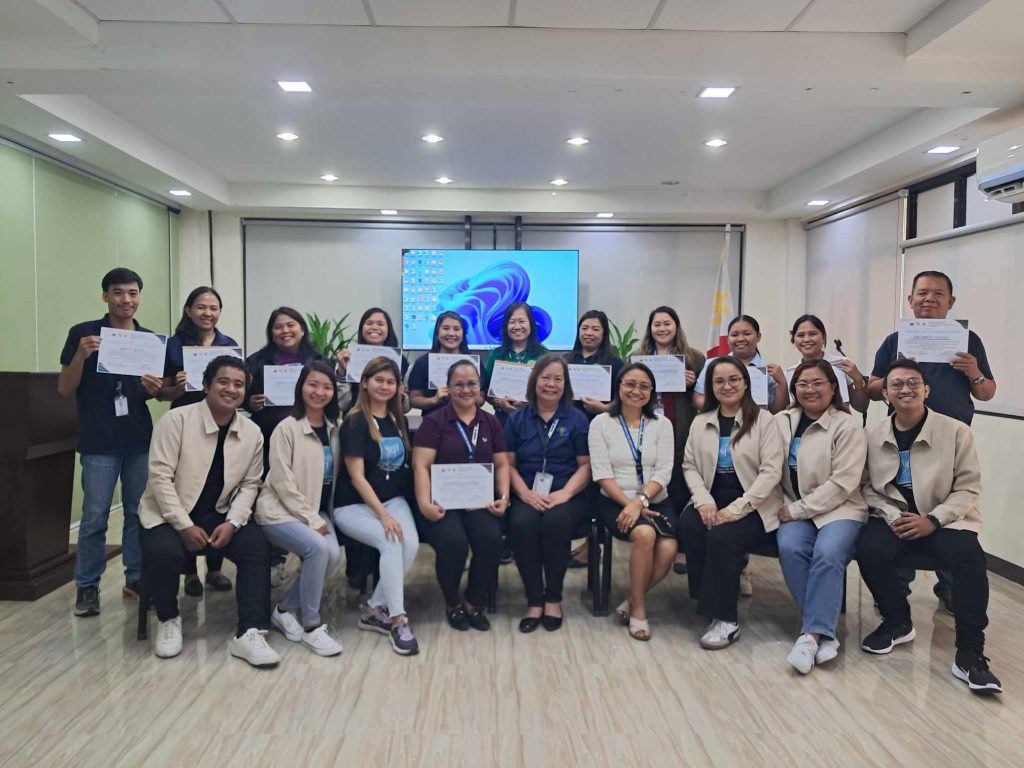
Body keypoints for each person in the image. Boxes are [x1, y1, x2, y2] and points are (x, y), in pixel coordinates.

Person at [856, 360, 1001, 694]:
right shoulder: (871, 434)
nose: (905, 389)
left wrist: (933, 520)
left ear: (926, 390)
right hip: (894, 515)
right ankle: (897, 621)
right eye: (896, 385)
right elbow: (864, 486)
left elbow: (968, 487)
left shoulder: (956, 431)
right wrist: (893, 515)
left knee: (970, 560)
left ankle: (970, 652)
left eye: (912, 382)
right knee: (868, 549)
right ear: (886, 394)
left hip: (944, 518)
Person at [867, 271, 995, 612]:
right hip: (902, 437)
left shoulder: (968, 341)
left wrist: (973, 372)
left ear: (950, 302)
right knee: (903, 503)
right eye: (922, 293)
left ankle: (950, 587)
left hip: (950, 443)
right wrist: (898, 386)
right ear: (910, 300)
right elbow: (871, 387)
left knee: (947, 510)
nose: (929, 299)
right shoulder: (894, 340)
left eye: (938, 294)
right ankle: (898, 588)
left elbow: (986, 392)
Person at [139, 356, 279, 667]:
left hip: (219, 512)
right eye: (223, 382)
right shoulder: (176, 421)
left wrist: (233, 521)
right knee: (163, 551)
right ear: (205, 385)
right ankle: (168, 619)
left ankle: (249, 632)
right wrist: (183, 525)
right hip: (167, 512)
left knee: (256, 545)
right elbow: (160, 479)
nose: (231, 389)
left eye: (239, 384)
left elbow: (250, 485)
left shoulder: (252, 432)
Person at [57, 267, 163, 617]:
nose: (126, 300)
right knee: (95, 518)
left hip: (138, 439)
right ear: (105, 296)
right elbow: (64, 388)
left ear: (139, 297)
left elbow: (157, 393)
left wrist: (156, 389)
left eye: (132, 293)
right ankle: (87, 587)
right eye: (118, 292)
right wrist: (81, 356)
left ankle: (135, 579)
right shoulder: (84, 334)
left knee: (137, 513)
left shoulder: (148, 340)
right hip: (98, 441)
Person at [679, 358, 784, 650]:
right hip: (713, 496)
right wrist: (703, 502)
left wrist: (736, 510)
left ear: (746, 382)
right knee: (689, 525)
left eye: (734, 379)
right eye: (719, 381)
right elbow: (689, 466)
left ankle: (726, 619)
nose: (727, 386)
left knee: (722, 536)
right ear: (710, 387)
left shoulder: (764, 421)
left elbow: (771, 472)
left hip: (755, 503)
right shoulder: (701, 421)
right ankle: (710, 596)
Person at [774, 360, 867, 673]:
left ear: (832, 387)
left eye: (817, 383)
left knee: (828, 553)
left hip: (840, 508)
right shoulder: (782, 420)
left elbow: (843, 483)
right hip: (794, 506)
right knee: (790, 548)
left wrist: (797, 509)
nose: (809, 390)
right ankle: (824, 633)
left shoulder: (847, 425)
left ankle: (810, 635)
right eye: (802, 384)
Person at [413, 360, 510, 631]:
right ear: (449, 387)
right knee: (454, 543)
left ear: (480, 388)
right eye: (459, 384)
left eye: (472, 384)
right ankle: (453, 602)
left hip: (479, 502)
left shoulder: (490, 422)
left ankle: (473, 601)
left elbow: (502, 464)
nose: (466, 390)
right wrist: (424, 503)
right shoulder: (434, 422)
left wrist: (503, 496)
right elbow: (421, 465)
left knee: (491, 541)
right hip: (443, 504)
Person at [254, 361, 343, 657]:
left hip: (315, 510)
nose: (319, 392)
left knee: (332, 553)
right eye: (312, 384)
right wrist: (310, 518)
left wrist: (316, 516)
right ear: (300, 387)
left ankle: (285, 608)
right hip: (278, 511)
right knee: (319, 548)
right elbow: (281, 481)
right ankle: (312, 627)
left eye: (327, 386)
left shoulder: (333, 429)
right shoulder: (287, 428)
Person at [333, 357, 421, 656]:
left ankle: (372, 609)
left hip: (391, 500)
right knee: (391, 541)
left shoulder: (398, 420)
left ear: (398, 387)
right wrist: (383, 516)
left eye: (391, 382)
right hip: (353, 505)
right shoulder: (355, 422)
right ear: (366, 383)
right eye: (379, 380)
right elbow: (356, 478)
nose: (385, 386)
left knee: (411, 545)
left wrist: (389, 510)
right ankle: (398, 619)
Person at [159, 285, 239, 597]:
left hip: (222, 426)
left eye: (213, 308)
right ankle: (190, 572)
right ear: (189, 310)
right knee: (188, 493)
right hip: (185, 426)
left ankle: (215, 569)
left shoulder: (228, 345)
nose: (208, 313)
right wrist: (175, 387)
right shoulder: (174, 345)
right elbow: (159, 392)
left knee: (218, 491)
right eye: (201, 307)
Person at [588, 363, 676, 641]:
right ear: (618, 387)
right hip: (614, 499)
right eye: (629, 384)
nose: (636, 391)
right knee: (645, 534)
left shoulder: (663, 424)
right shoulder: (600, 423)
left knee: (670, 547)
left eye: (643, 386)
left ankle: (631, 597)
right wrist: (629, 503)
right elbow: (601, 473)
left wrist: (639, 501)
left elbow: (664, 471)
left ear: (652, 392)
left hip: (655, 498)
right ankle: (639, 609)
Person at [504, 354, 591, 633]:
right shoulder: (517, 419)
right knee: (521, 523)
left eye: (558, 379)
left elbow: (586, 466)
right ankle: (534, 598)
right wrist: (525, 494)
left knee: (556, 522)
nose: (551, 384)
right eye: (545, 378)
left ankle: (553, 597)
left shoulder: (577, 419)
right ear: (534, 382)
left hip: (567, 493)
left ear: (565, 385)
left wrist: (565, 493)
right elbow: (507, 464)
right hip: (526, 491)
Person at [246, 307, 328, 587]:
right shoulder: (256, 362)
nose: (285, 331)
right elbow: (243, 397)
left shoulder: (317, 360)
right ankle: (275, 559)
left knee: (302, 489)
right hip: (272, 436)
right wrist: (251, 403)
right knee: (275, 493)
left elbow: (328, 393)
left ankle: (309, 552)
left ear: (302, 328)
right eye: (278, 327)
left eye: (290, 325)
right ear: (271, 332)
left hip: (309, 437)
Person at [636, 306, 705, 576]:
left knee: (681, 484)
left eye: (667, 323)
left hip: (681, 427)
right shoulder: (640, 357)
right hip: (649, 426)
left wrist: (693, 381)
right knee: (656, 479)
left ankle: (681, 547)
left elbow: (704, 394)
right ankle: (657, 536)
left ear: (676, 326)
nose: (662, 329)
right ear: (650, 329)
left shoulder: (694, 358)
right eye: (656, 324)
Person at [693, 315, 787, 414]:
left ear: (758, 337)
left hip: (757, 425)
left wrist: (782, 383)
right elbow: (698, 397)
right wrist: (725, 410)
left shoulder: (770, 371)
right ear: (728, 339)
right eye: (734, 335)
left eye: (747, 334)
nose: (740, 339)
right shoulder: (711, 365)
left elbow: (777, 410)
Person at [786, 314, 869, 414]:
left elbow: (861, 407)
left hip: (840, 427)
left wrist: (858, 380)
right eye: (800, 335)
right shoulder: (789, 373)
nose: (806, 339)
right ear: (793, 339)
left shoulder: (843, 364)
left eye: (812, 334)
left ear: (824, 337)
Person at [482, 301, 549, 423]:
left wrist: (531, 400)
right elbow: (485, 390)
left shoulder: (544, 355)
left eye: (522, 321)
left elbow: (551, 390)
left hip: (536, 421)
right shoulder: (496, 354)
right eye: (512, 322)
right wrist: (499, 402)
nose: (517, 326)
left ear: (531, 324)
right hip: (503, 421)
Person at [336, 307, 410, 413]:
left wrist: (400, 396)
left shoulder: (401, 362)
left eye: (380, 324)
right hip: (355, 419)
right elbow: (341, 404)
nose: (374, 327)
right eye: (369, 323)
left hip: (389, 419)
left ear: (389, 329)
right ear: (362, 328)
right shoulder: (348, 357)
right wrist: (341, 373)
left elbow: (406, 408)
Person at [407, 311, 477, 417]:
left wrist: (467, 395)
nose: (451, 333)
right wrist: (434, 400)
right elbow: (414, 399)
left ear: (463, 335)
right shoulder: (422, 363)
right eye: (446, 328)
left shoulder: (474, 363)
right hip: (433, 423)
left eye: (456, 329)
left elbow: (481, 398)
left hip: (469, 422)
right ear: (437, 334)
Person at [566, 310, 624, 421]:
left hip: (604, 423)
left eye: (595, 329)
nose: (588, 333)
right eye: (584, 328)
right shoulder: (565, 361)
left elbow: (623, 398)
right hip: (568, 425)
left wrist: (604, 408)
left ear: (604, 333)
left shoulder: (616, 363)